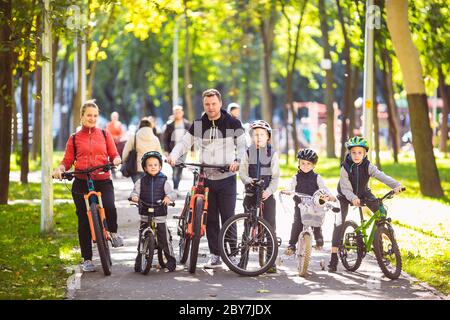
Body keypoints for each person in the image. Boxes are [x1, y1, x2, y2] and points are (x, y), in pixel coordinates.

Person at [167, 88, 246, 268]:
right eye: (207, 104)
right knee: (210, 218)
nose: (210, 107)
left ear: (220, 103)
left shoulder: (233, 122)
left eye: (214, 104)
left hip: (227, 176)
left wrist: (237, 160)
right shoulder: (198, 124)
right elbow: (184, 144)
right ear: (203, 105)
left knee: (228, 217)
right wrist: (173, 155)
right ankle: (215, 254)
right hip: (206, 177)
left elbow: (242, 146)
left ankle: (232, 254)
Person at [53, 100, 124, 273]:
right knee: (83, 220)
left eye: (95, 115)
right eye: (89, 115)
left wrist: (116, 160)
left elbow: (114, 154)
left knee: (109, 206)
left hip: (102, 177)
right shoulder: (75, 138)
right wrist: (60, 169)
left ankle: (113, 232)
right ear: (82, 116)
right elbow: (67, 161)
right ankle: (87, 259)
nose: (92, 119)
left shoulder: (105, 134)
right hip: (81, 181)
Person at [328, 136, 404, 272]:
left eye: (360, 152)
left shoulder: (368, 166)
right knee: (339, 222)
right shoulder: (345, 167)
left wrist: (396, 185)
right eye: (354, 152)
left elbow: (381, 175)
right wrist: (353, 198)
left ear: (365, 153)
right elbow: (345, 188)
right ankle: (333, 258)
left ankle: (378, 245)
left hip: (363, 192)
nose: (356, 155)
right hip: (345, 196)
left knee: (381, 211)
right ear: (349, 153)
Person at [239, 120, 280, 273]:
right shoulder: (248, 153)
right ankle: (243, 260)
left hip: (266, 194)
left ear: (268, 137)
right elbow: (242, 172)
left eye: (262, 135)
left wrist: (269, 191)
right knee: (247, 226)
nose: (258, 137)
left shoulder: (272, 154)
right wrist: (249, 181)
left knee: (270, 226)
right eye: (255, 134)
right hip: (251, 193)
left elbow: (276, 177)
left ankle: (271, 260)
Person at [129, 151, 178, 272]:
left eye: (155, 165)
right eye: (149, 165)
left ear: (160, 166)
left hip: (159, 214)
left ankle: (170, 260)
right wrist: (134, 197)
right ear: (145, 168)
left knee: (164, 239)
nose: (153, 167)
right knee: (142, 237)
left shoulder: (164, 182)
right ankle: (140, 259)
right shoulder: (141, 182)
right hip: (145, 213)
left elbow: (172, 193)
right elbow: (134, 192)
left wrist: (169, 197)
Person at [283, 148, 336, 256]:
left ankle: (319, 240)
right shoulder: (296, 177)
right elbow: (290, 185)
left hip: (315, 204)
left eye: (308, 164)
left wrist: (329, 196)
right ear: (299, 163)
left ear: (313, 165)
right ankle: (292, 245)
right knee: (297, 223)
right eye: (303, 163)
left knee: (316, 220)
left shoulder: (317, 177)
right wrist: (288, 191)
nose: (305, 166)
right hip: (300, 204)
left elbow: (324, 188)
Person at [122, 117, 163, 183]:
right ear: (150, 127)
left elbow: (125, 153)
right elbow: (159, 154)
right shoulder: (155, 139)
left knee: (138, 190)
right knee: (148, 190)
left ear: (140, 126)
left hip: (136, 167)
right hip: (151, 168)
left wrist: (123, 161)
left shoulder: (134, 138)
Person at [162, 106, 191, 190]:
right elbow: (165, 139)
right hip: (172, 150)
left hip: (183, 151)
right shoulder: (169, 124)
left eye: (179, 112)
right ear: (173, 113)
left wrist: (192, 149)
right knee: (174, 169)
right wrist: (166, 150)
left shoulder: (187, 124)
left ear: (182, 113)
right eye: (175, 112)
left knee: (179, 168)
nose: (177, 114)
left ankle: (176, 187)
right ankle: (175, 186)